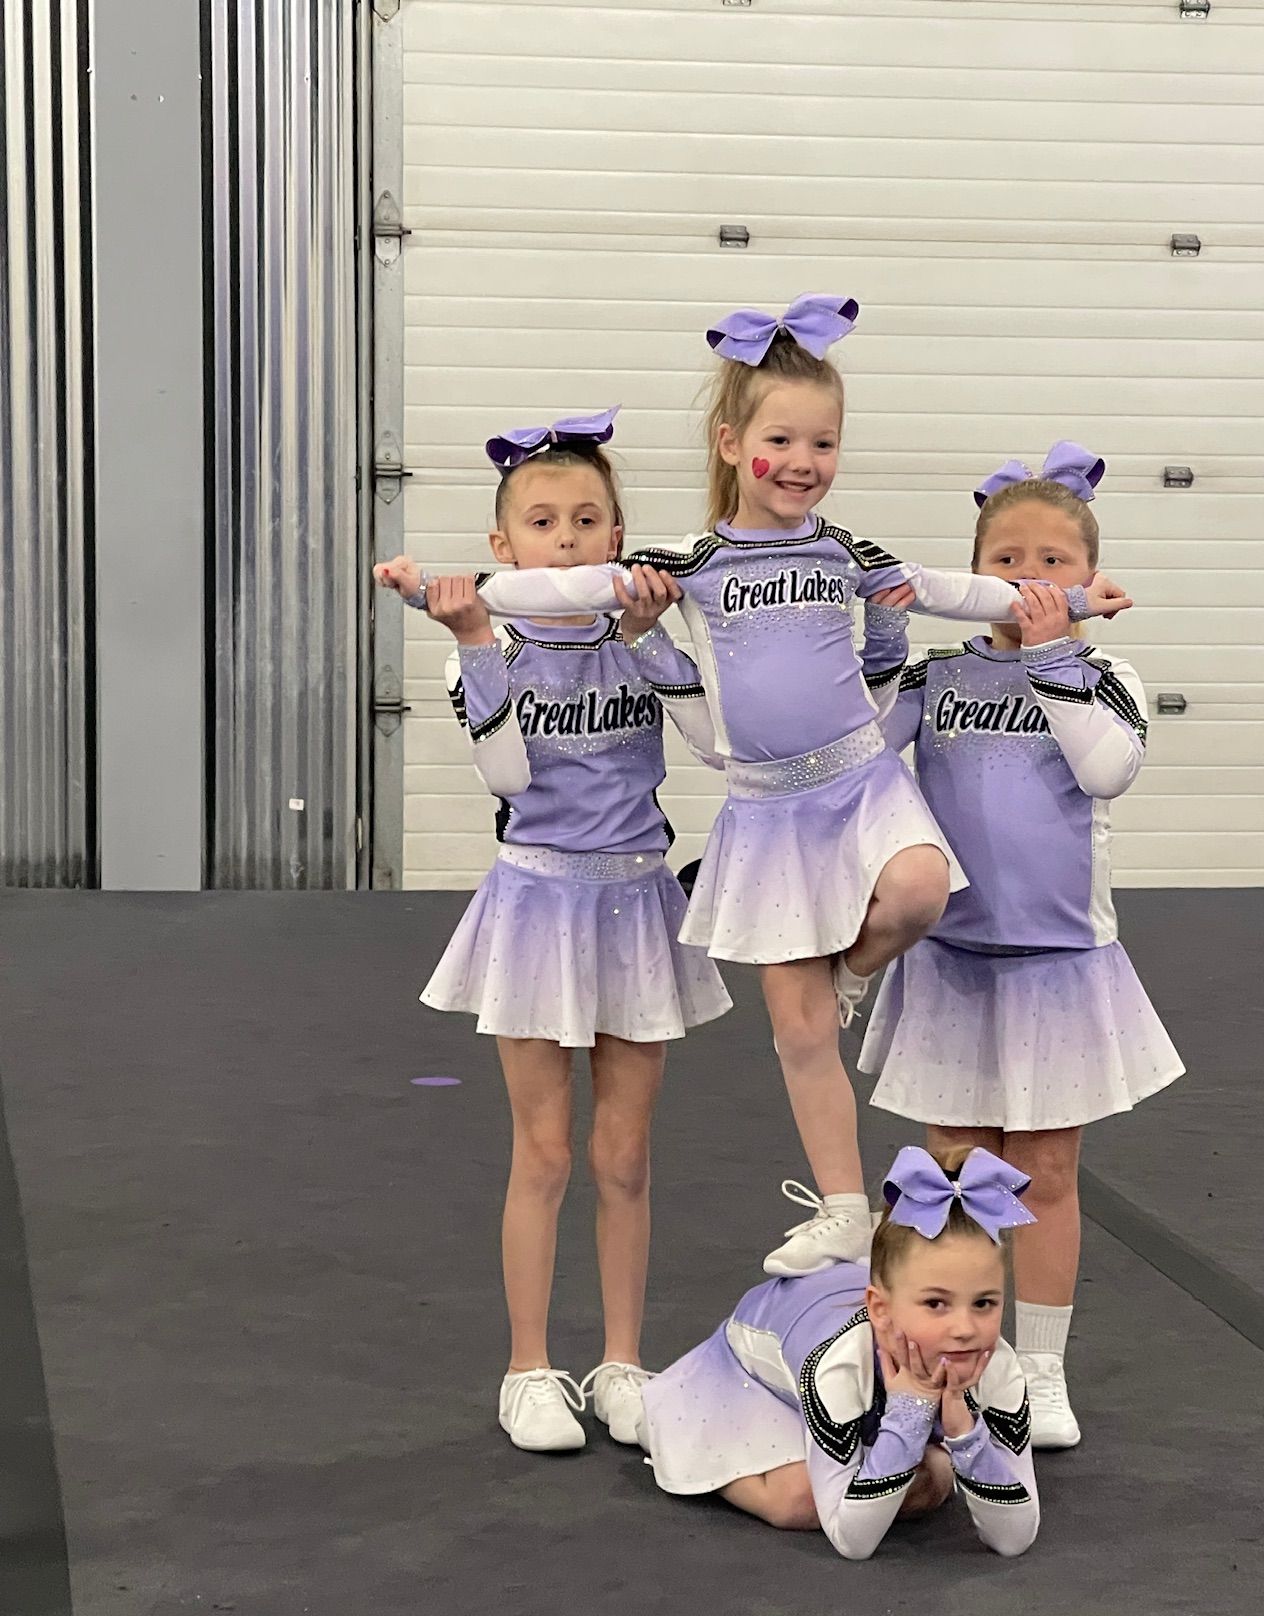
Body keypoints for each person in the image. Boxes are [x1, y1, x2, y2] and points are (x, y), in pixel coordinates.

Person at [415, 300, 1130, 1279]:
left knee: (922, 886)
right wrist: (449, 595)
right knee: (797, 1033)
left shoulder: (849, 555)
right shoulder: (693, 565)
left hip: (857, 779)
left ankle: (854, 967)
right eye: (781, 439)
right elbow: (569, 593)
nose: (803, 459)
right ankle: (843, 1204)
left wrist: (1074, 602)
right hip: (766, 807)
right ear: (731, 442)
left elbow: (965, 593)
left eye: (823, 442)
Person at [373, 410, 730, 1454]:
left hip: (634, 903)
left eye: (587, 519)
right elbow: (510, 779)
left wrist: (656, 634)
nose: (566, 538)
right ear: (504, 548)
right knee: (545, 1150)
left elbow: (713, 748)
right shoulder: (483, 643)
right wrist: (478, 645)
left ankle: (623, 1360)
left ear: (616, 537)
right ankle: (528, 1365)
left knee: (626, 1153)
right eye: (543, 521)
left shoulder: (637, 637)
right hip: (535, 904)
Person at [860, 444, 1184, 1449]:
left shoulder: (1103, 673)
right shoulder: (939, 671)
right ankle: (961, 1355)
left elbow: (1107, 772)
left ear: (1086, 575)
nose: (1029, 577)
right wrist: (879, 627)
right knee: (954, 1168)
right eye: (1007, 557)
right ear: (973, 573)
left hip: (1058, 962)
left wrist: (1053, 660)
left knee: (1043, 1170)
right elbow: (859, 743)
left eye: (1052, 559)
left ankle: (1038, 1367)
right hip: (954, 958)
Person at [634, 1145, 1041, 1561]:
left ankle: (872, 1442)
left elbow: (1014, 1538)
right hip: (754, 1371)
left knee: (932, 1483)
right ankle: (667, 1424)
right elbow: (853, 1541)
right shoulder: (837, 1364)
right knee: (797, 1501)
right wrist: (910, 1412)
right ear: (879, 1309)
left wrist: (963, 1432)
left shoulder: (998, 1366)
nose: (964, 1329)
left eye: (985, 1303)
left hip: (857, 1317)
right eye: (936, 1304)